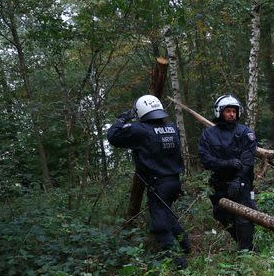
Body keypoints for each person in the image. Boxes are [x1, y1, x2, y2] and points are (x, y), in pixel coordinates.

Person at [107, 95, 190, 267]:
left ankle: (179, 264)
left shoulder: (140, 130)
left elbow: (113, 136)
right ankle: (186, 247)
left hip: (158, 184)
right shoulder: (171, 127)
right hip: (174, 182)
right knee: (167, 214)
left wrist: (123, 118)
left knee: (160, 225)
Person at [198, 94, 257, 251]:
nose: (231, 114)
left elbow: (248, 160)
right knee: (221, 214)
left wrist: (239, 179)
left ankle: (246, 252)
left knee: (244, 217)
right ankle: (242, 243)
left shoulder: (246, 133)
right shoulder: (208, 134)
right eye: (228, 111)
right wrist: (226, 164)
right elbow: (205, 159)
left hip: (242, 183)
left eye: (234, 111)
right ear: (220, 112)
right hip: (219, 183)